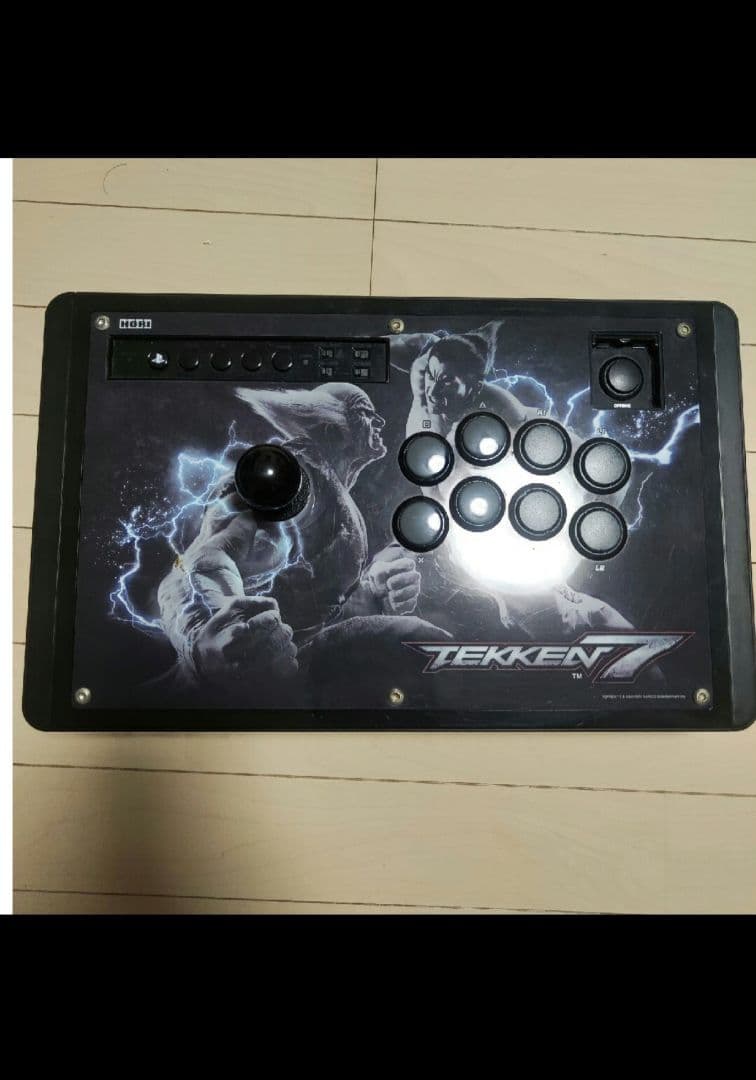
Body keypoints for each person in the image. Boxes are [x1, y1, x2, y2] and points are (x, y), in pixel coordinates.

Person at [156, 382, 445, 699]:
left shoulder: (332, 494)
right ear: (331, 427)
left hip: (289, 680)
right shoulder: (291, 478)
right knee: (420, 640)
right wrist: (204, 643)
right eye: (365, 413)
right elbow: (197, 565)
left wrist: (371, 595)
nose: (380, 422)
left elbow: (312, 612)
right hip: (225, 689)